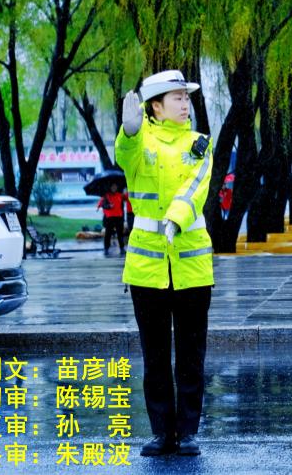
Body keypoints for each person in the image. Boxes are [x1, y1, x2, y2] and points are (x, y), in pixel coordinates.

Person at [115, 70, 214, 457]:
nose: (185, 104)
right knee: (154, 355)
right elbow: (125, 156)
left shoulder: (198, 143)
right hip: (146, 268)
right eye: (177, 98)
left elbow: (196, 184)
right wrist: (129, 131)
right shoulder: (141, 141)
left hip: (191, 267)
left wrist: (175, 217)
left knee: (191, 355)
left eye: (186, 98)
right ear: (155, 106)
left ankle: (187, 432)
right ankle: (161, 433)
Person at [97, 183, 125, 256]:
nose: (114, 188)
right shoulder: (106, 196)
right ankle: (106, 249)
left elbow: (122, 207)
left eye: (115, 186)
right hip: (109, 217)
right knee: (108, 234)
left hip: (119, 217)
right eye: (113, 186)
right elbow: (103, 205)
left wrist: (123, 217)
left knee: (120, 234)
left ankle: (122, 248)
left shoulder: (120, 195)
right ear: (110, 187)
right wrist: (109, 206)